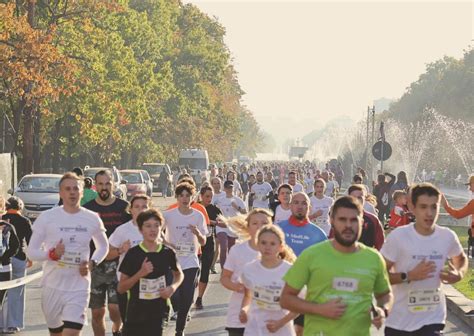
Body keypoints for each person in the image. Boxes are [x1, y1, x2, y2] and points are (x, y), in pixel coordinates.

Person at [280, 196, 393, 336]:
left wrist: (382, 310)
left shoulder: (373, 258)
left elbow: (385, 294)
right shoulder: (311, 255)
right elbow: (286, 299)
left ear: (362, 222)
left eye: (353, 220)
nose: (348, 225)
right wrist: (319, 309)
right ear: (332, 221)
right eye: (342, 220)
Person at [27, 172, 109, 336]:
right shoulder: (47, 217)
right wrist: (51, 255)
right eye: (67, 189)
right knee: (56, 333)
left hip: (79, 286)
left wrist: (92, 263)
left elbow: (103, 246)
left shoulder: (92, 218)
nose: (72, 192)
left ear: (81, 192)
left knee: (71, 332)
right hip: (52, 286)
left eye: (75, 188)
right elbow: (31, 251)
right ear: (61, 193)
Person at [381, 183, 468, 335]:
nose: (429, 213)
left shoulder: (447, 236)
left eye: (434, 207)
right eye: (423, 207)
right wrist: (409, 276)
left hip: (432, 319)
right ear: (412, 208)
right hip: (400, 323)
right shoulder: (398, 237)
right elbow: (378, 274)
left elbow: (460, 259)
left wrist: (458, 273)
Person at [118, 209, 184, 336]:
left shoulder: (167, 253)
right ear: (140, 230)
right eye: (148, 226)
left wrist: (172, 288)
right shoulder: (133, 254)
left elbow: (179, 274)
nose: (152, 230)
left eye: (156, 226)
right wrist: (140, 273)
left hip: (159, 311)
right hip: (135, 312)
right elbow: (121, 288)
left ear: (161, 228)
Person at [83, 170, 131, 336]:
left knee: (115, 308)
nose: (104, 188)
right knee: (97, 313)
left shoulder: (124, 207)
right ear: (96, 185)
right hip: (95, 266)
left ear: (113, 184)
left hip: (119, 265)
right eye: (101, 184)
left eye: (107, 184)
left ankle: (116, 328)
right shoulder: (87, 210)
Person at [163, 182, 208, 336]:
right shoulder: (168, 215)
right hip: (171, 260)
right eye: (181, 195)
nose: (184, 198)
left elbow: (204, 241)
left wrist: (197, 233)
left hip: (190, 260)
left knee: (187, 297)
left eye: (187, 195)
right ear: (176, 197)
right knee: (175, 294)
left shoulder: (198, 215)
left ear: (192, 197)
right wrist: (167, 243)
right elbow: (157, 230)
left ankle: (179, 330)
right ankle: (176, 310)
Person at [220, 209, 273, 336]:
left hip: (267, 319)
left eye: (264, 223)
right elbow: (224, 278)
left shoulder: (278, 251)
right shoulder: (237, 250)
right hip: (240, 319)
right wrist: (238, 286)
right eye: (255, 223)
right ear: (248, 227)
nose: (260, 226)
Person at [239, 225, 297, 336]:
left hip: (282, 330)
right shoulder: (248, 269)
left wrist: (280, 323)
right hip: (255, 329)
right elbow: (248, 296)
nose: (267, 247)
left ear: (280, 247)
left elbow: (298, 306)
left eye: (272, 244)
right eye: (263, 243)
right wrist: (244, 310)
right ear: (257, 244)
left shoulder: (290, 270)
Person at [107, 195, 151, 320]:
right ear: (130, 210)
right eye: (137, 207)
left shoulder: (155, 229)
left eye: (144, 207)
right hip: (127, 283)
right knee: (129, 323)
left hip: (149, 283)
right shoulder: (122, 230)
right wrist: (120, 250)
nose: (141, 210)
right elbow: (107, 255)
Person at [1, 197, 32, 333]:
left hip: (3, 260)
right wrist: (30, 258)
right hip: (19, 258)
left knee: (2, 293)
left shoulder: (2, 219)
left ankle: (1, 324)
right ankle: (14, 324)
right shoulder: (24, 221)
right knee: (17, 293)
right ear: (20, 207)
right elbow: (31, 241)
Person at [195, 186, 221, 310]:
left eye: (211, 196)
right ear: (201, 195)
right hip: (195, 244)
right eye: (207, 196)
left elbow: (222, 222)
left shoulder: (215, 209)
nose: (209, 199)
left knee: (205, 271)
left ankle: (199, 298)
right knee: (194, 272)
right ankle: (189, 295)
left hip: (209, 243)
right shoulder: (195, 207)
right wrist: (210, 222)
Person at [337, 184, 385, 250]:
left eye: (359, 197)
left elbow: (380, 244)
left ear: (364, 199)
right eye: (353, 197)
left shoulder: (372, 219)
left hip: (366, 258)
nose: (356, 200)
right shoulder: (339, 219)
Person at [278, 192, 327, 257]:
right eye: (296, 202)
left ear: (309, 208)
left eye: (304, 203)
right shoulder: (278, 229)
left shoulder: (319, 235)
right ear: (290, 206)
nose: (300, 207)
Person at [215, 180, 247, 269]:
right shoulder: (220, 200)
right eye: (227, 188)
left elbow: (245, 212)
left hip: (233, 227)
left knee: (231, 250)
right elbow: (216, 211)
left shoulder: (238, 200)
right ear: (224, 189)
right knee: (223, 247)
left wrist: (237, 207)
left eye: (231, 187)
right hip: (222, 226)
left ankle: (231, 268)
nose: (229, 189)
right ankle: (223, 269)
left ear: (233, 188)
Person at [0, 219, 19, 308]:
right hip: (5, 267)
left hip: (5, 267)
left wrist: (4, 257)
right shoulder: (8, 227)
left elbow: (15, 246)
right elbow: (15, 247)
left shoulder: (8, 227)